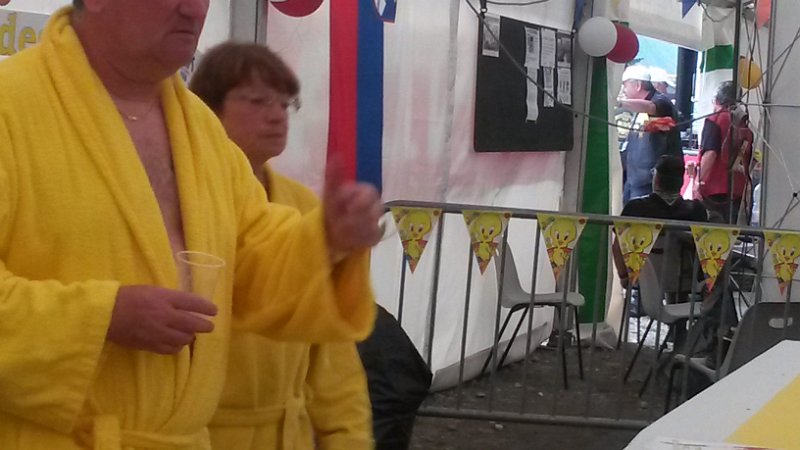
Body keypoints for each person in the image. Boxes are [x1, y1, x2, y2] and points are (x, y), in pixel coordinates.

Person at [0, 1, 382, 448]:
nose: (194, 9)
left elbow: (254, 256)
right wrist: (102, 317)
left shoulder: (200, 129)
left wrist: (327, 241)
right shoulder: (11, 107)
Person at [189, 42, 372, 450]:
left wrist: (348, 437)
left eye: (285, 103)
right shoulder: (182, 200)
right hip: (204, 435)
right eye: (257, 101)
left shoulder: (304, 206)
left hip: (288, 436)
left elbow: (332, 354)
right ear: (206, 109)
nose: (277, 115)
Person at [618, 65, 683, 204]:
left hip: (650, 182)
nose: (623, 89)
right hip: (633, 180)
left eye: (625, 84)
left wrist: (620, 103)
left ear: (637, 85)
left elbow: (650, 107)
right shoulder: (637, 110)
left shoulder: (662, 102)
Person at [694, 81, 754, 224]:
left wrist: (698, 181)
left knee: (712, 233)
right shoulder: (743, 124)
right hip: (737, 189)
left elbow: (711, 153)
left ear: (717, 100)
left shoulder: (715, 119)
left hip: (714, 189)